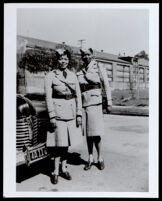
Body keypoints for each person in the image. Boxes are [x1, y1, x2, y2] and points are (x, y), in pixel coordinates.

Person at [44, 48, 82, 184]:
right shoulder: (50, 75)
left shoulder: (72, 75)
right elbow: (48, 97)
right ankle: (55, 171)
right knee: (57, 144)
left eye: (65, 59)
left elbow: (78, 95)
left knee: (66, 144)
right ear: (57, 60)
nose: (63, 61)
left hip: (71, 112)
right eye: (60, 59)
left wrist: (79, 113)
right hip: (58, 112)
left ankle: (64, 169)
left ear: (68, 60)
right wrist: (52, 115)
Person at [77, 48, 112, 171]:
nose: (85, 57)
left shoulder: (98, 66)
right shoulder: (80, 70)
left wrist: (109, 102)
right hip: (84, 104)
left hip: (96, 103)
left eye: (88, 54)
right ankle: (90, 158)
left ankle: (100, 158)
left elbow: (106, 84)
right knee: (88, 134)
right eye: (83, 55)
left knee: (96, 133)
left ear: (92, 55)